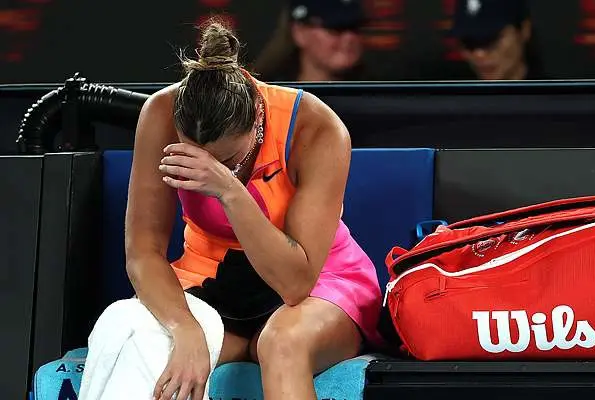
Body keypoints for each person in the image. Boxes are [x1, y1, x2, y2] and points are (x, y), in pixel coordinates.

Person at [93, 21, 383, 400]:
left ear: (258, 119)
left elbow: (295, 283)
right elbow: (143, 253)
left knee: (280, 344)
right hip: (212, 281)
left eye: (227, 159)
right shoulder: (161, 112)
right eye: (193, 156)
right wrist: (185, 330)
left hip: (316, 283)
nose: (209, 167)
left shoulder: (317, 127)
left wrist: (229, 190)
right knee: (145, 343)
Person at [253, 0, 370, 82]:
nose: (350, 38)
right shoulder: (266, 96)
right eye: (335, 28)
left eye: (356, 27)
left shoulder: (375, 96)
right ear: (300, 32)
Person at [451, 0, 544, 80]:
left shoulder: (549, 94)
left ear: (524, 30)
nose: (479, 54)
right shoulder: (453, 93)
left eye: (490, 39)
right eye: (469, 43)